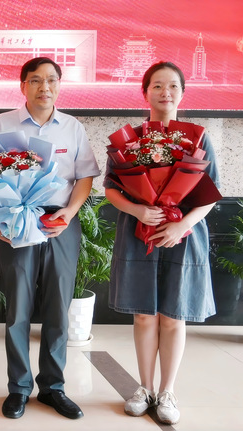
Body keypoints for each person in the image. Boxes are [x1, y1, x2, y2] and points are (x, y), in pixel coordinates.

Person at [104, 61, 220, 425]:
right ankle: (145, 387)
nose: (164, 92)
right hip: (139, 232)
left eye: (172, 86)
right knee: (143, 313)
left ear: (183, 93)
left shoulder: (198, 138)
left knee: (173, 315)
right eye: (157, 85)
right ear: (145, 92)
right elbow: (111, 188)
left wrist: (181, 224)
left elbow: (211, 194)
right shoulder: (131, 139)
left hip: (183, 234)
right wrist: (138, 210)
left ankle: (168, 391)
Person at [0, 57, 100, 420]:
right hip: (17, 220)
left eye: (51, 80)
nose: (44, 87)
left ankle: (53, 387)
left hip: (60, 222)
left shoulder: (72, 127)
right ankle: (19, 387)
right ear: (23, 86)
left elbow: (84, 176)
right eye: (36, 80)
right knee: (18, 308)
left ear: (59, 85)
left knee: (57, 309)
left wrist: (70, 212)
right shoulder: (3, 124)